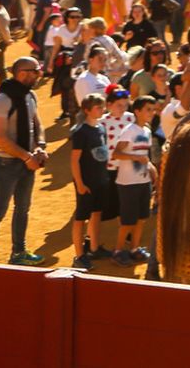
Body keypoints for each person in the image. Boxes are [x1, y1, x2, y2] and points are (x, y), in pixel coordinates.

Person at [0, 56, 48, 265]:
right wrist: (27, 156)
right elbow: (0, 138)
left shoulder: (31, 96)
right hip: (6, 165)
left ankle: (19, 253)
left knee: (23, 209)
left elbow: (38, 126)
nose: (38, 74)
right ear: (22, 73)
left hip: (26, 162)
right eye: (35, 71)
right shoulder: (2, 101)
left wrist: (40, 147)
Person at [110, 94, 157, 266]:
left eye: (153, 110)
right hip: (128, 183)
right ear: (137, 111)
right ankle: (118, 251)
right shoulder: (129, 130)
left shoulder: (147, 130)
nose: (152, 113)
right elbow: (116, 154)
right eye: (148, 109)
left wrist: (152, 169)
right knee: (127, 221)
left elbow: (145, 156)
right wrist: (135, 158)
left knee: (142, 218)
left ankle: (134, 249)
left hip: (143, 182)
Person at [67, 93, 108, 270]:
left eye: (102, 107)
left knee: (97, 213)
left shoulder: (101, 128)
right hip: (86, 182)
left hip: (99, 180)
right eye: (98, 107)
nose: (102, 110)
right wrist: (80, 184)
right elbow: (75, 160)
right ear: (87, 110)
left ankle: (93, 248)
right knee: (81, 218)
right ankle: (79, 255)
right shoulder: (80, 132)